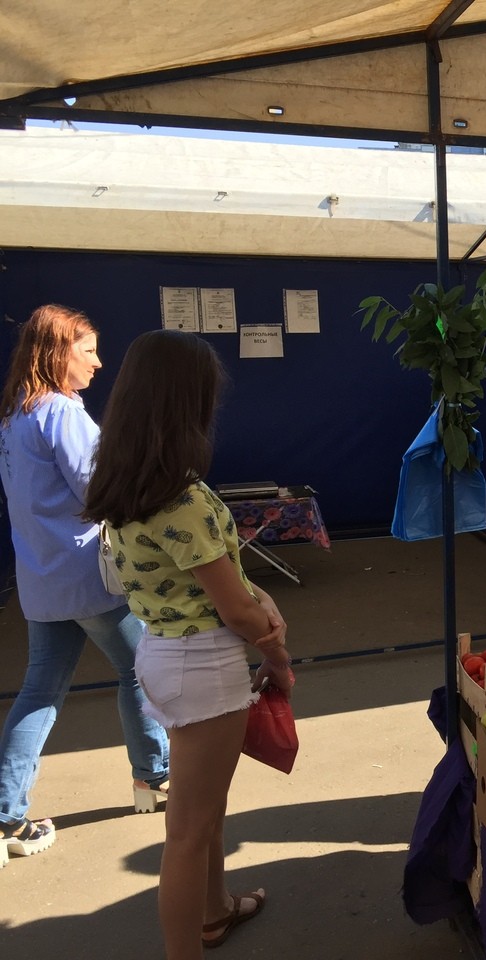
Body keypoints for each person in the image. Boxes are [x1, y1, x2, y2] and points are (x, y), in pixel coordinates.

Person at [82, 330, 292, 958]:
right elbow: (235, 609)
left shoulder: (125, 483)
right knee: (188, 830)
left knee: (203, 814)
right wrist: (276, 652)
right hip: (204, 665)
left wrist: (261, 613)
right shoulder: (182, 497)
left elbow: (218, 583)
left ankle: (214, 911)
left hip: (165, 656)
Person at [0, 305, 170, 865]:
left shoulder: (13, 418)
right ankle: (155, 778)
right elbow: (100, 491)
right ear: (57, 353)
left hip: (42, 582)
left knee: (39, 693)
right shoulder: (62, 414)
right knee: (140, 671)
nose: (99, 363)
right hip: (92, 577)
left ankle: (4, 817)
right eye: (88, 350)